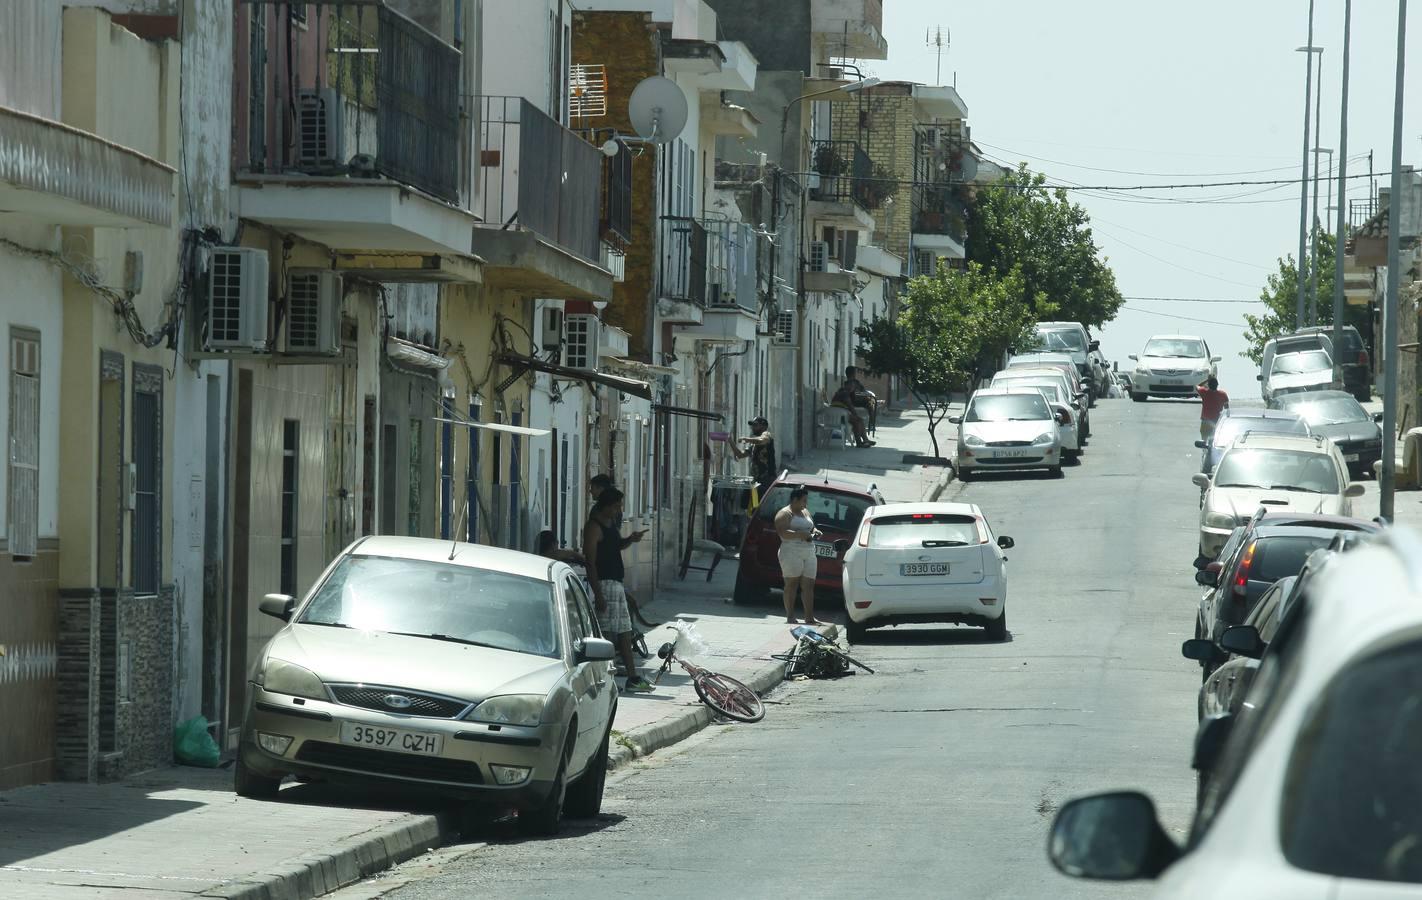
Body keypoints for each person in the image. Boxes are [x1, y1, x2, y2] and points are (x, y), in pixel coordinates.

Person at [583, 489, 654, 693]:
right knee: (605, 635)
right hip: (604, 585)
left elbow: (615, 546)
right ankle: (605, 680)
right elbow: (590, 562)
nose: (618, 510)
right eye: (616, 506)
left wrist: (630, 539)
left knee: (624, 631)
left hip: (616, 584)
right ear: (606, 506)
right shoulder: (593, 527)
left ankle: (632, 678)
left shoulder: (610, 525)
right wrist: (598, 594)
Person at [774, 487, 824, 625]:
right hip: (791, 551)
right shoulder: (784, 514)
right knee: (792, 583)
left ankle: (809, 617)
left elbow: (811, 526)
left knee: (809, 584)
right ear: (795, 499)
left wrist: (815, 530)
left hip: (808, 550)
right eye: (803, 501)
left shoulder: (805, 512)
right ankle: (790, 616)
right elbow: (782, 532)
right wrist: (799, 534)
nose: (805, 504)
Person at [732, 416, 779, 495]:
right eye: (752, 425)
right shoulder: (753, 443)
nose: (753, 427)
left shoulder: (766, 435)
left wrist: (746, 439)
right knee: (752, 505)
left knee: (762, 505)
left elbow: (762, 440)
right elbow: (740, 455)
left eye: (756, 425)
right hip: (755, 480)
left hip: (766, 480)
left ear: (764, 426)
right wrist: (730, 442)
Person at [831, 367, 875, 448]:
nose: (853, 388)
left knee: (858, 420)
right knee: (857, 420)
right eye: (852, 386)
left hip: (835, 414)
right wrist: (855, 414)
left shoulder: (841, 391)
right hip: (839, 416)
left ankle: (864, 440)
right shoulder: (845, 394)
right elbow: (851, 407)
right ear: (849, 386)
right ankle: (860, 442)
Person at [1196, 376, 1229, 442]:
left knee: (1203, 442)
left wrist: (1207, 380)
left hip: (1205, 421)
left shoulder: (1204, 392)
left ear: (1208, 385)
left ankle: (1205, 452)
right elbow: (1227, 409)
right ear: (1217, 385)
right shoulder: (1223, 394)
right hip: (1217, 422)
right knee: (1214, 441)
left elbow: (1197, 386)